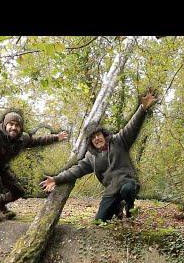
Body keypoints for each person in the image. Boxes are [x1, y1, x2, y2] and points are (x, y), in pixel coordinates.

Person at [40, 88, 157, 222]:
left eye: (98, 135)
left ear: (103, 134)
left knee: (128, 189)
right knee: (99, 221)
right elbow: (75, 170)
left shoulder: (119, 140)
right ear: (91, 142)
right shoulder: (91, 157)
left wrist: (142, 108)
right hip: (111, 190)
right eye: (93, 138)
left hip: (126, 182)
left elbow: (133, 125)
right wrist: (56, 179)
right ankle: (117, 207)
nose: (96, 138)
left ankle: (130, 210)